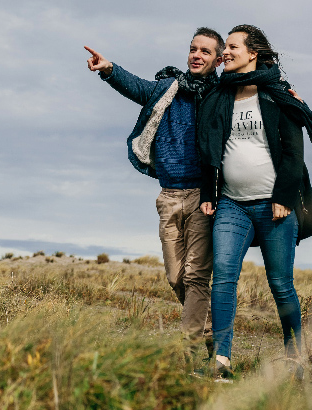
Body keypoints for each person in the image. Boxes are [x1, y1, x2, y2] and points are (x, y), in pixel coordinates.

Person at [197, 24, 312, 379]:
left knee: (280, 283)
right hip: (231, 205)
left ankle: (296, 358)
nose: (225, 52)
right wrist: (209, 195)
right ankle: (220, 362)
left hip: (274, 206)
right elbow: (209, 151)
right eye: (224, 47)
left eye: (232, 46)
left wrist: (284, 198)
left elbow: (292, 152)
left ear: (252, 52)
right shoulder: (219, 94)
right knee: (223, 278)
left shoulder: (276, 94)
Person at [85, 28, 225, 353]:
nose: (196, 55)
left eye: (205, 51)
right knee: (176, 277)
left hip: (204, 197)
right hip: (168, 196)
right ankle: (214, 335)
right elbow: (137, 87)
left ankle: (195, 355)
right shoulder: (167, 87)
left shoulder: (222, 96)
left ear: (218, 60)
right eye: (193, 49)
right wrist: (108, 69)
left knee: (195, 276)